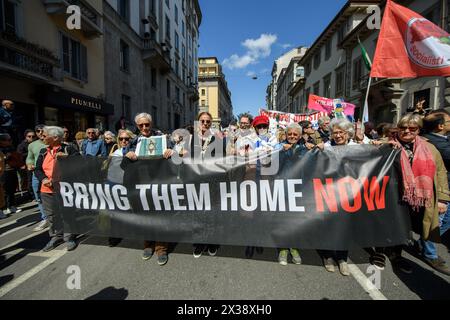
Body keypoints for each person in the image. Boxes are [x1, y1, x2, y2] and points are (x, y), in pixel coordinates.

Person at [379, 114, 450, 274]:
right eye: (403, 128)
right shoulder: (387, 145)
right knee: (399, 226)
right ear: (398, 128)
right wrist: (383, 147)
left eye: (412, 128)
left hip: (422, 197)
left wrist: (443, 199)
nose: (407, 131)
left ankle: (430, 255)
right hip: (395, 197)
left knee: (425, 225)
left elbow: (440, 172)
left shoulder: (430, 147)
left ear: (418, 130)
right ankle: (396, 255)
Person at [125, 113, 172, 266]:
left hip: (160, 183)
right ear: (137, 126)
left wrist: (172, 153)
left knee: (161, 216)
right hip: (141, 185)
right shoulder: (132, 142)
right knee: (144, 216)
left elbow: (177, 158)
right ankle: (148, 244)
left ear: (151, 124)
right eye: (141, 125)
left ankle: (161, 248)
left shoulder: (164, 139)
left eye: (147, 124)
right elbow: (122, 166)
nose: (144, 128)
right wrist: (127, 155)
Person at [319, 118, 357, 276]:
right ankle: (327, 256)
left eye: (341, 132)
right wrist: (317, 149)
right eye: (335, 133)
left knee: (345, 226)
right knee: (328, 224)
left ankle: (342, 258)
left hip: (349, 192)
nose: (338, 135)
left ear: (348, 133)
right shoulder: (326, 147)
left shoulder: (357, 147)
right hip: (328, 191)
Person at [415, 110, 450, 275]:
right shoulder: (438, 144)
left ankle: (424, 242)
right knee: (436, 222)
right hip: (438, 190)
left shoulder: (434, 141)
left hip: (442, 190)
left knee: (439, 221)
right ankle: (429, 252)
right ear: (441, 126)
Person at [35, 126, 79, 252]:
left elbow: (80, 163)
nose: (42, 137)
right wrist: (43, 179)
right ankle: (55, 236)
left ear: (55, 137)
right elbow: (38, 169)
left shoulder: (68, 148)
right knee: (51, 215)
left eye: (44, 135)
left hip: (64, 188)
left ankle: (69, 237)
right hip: (46, 189)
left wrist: (67, 158)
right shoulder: (43, 151)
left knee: (67, 213)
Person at [191, 112, 225, 258]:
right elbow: (181, 155)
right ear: (198, 122)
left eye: (208, 122)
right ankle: (199, 242)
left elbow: (222, 159)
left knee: (212, 213)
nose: (205, 124)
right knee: (198, 213)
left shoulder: (217, 139)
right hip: (195, 182)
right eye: (202, 121)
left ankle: (212, 242)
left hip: (212, 182)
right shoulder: (191, 139)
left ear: (211, 124)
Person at [277, 123, 307, 266]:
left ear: (300, 136)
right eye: (290, 134)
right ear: (286, 135)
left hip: (300, 188)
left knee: (295, 219)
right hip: (282, 188)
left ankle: (294, 247)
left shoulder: (306, 148)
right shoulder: (278, 147)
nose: (293, 136)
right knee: (282, 218)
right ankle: (283, 248)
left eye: (296, 134)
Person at [106, 129, 136, 248]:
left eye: (127, 139)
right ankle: (114, 235)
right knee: (114, 210)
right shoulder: (115, 151)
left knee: (133, 208)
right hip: (115, 183)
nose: (124, 141)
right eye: (121, 139)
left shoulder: (135, 151)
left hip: (131, 184)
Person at [26, 125, 47, 231]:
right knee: (38, 197)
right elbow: (29, 158)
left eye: (42, 130)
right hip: (36, 174)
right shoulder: (32, 145)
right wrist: (29, 164)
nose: (40, 132)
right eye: (37, 131)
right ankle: (45, 218)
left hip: (50, 174)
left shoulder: (51, 142)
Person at [0, 134, 23, 215]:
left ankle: (12, 206)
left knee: (12, 188)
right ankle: (5, 207)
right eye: (8, 140)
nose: (10, 141)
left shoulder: (11, 148)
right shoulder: (1, 149)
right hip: (4, 171)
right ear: (2, 141)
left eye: (10, 140)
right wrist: (6, 156)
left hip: (12, 169)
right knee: (5, 190)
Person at [17, 129, 36, 200]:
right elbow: (19, 155)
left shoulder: (36, 143)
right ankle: (32, 196)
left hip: (36, 164)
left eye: (33, 136)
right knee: (30, 180)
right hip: (27, 165)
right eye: (29, 136)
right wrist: (30, 153)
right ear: (26, 137)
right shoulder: (21, 145)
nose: (31, 138)